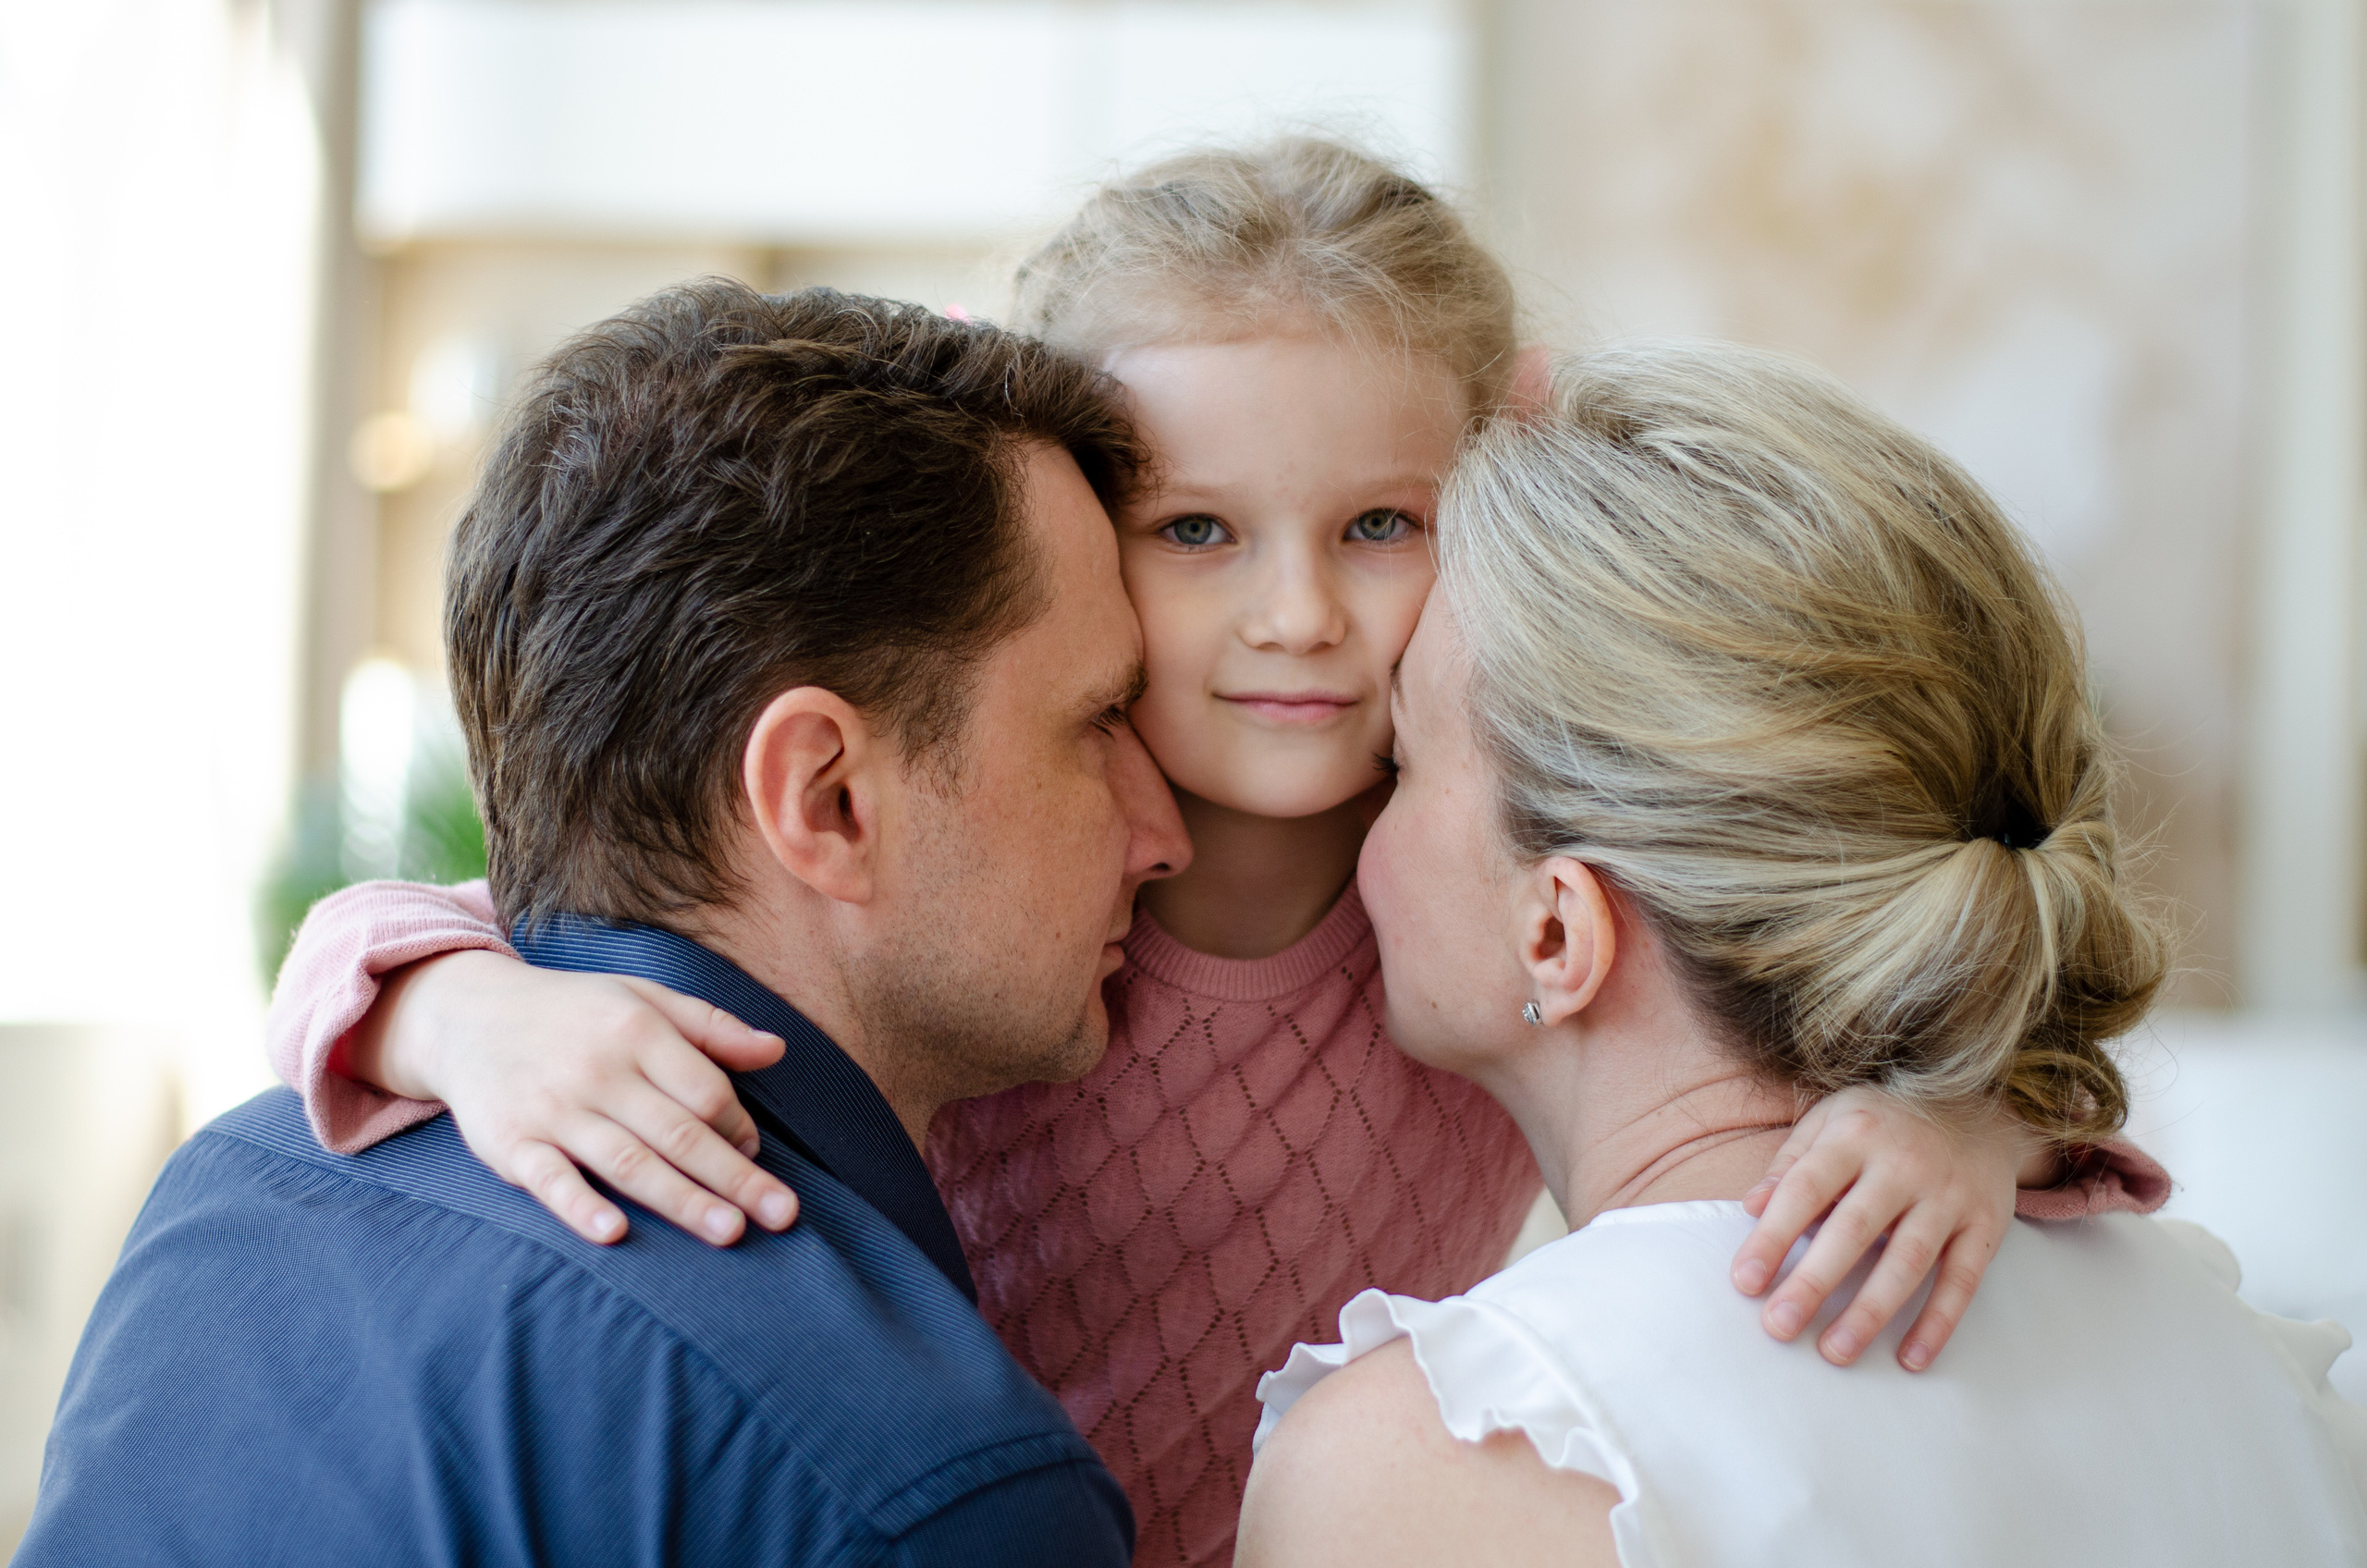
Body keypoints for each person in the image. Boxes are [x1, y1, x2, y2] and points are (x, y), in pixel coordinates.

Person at [256, 141, 2165, 1567]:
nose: (1294, 618)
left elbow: (1863, 949)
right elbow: (453, 921)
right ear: (1081, 542)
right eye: (1193, 533)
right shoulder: (964, 869)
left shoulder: (1491, 903)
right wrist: (462, 1013)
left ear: (1491, 499)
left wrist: (1958, 1116)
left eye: (1377, 524)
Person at [17, 284, 1189, 1566]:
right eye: (1100, 721)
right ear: (828, 798)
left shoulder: (228, 1193)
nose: (1166, 833)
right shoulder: (936, 1486)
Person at [1235, 342, 2367, 1567]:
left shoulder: (1436, 1469)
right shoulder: (2251, 1363)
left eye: (1400, 766)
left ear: (1557, 930)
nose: (1353, 821)